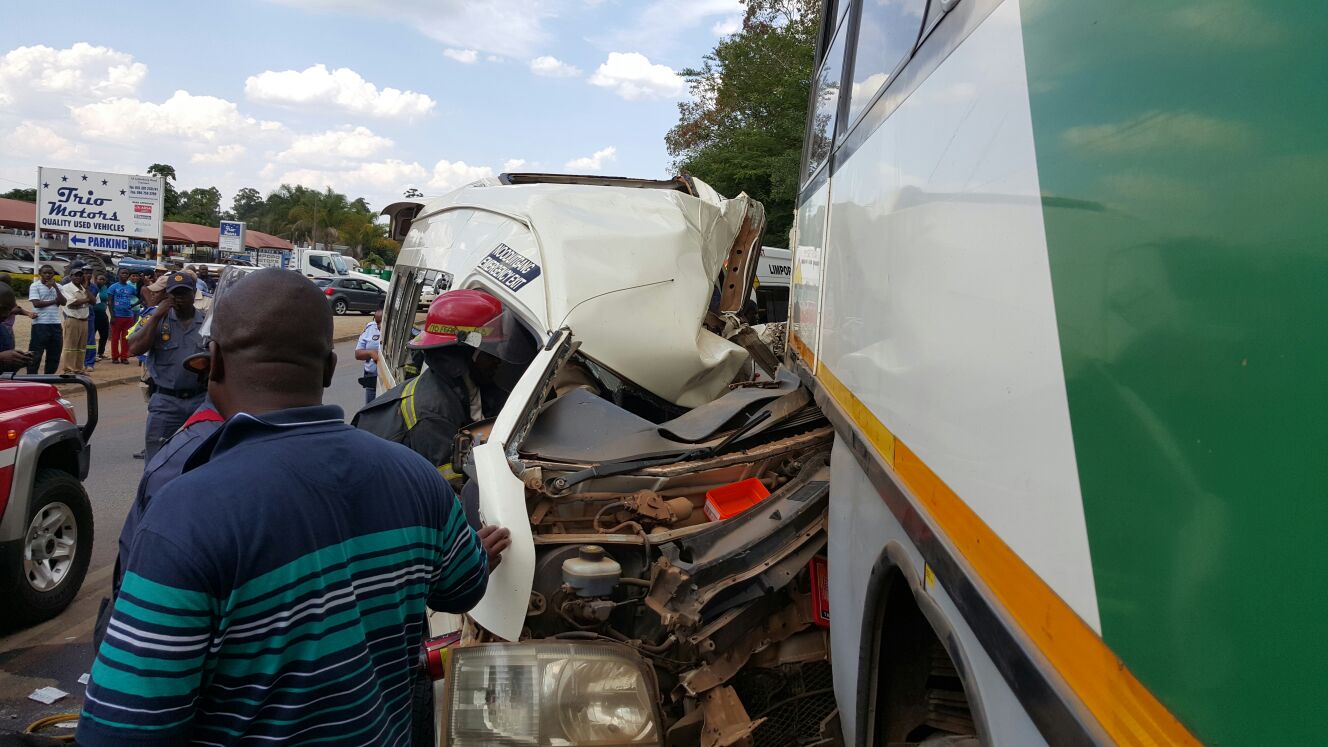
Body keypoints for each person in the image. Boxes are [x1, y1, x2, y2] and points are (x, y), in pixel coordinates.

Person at [78, 268, 504, 746]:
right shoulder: (416, 478)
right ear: (327, 368)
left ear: (213, 362)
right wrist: (477, 552)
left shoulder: (188, 509)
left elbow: (123, 729)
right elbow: (462, 589)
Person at [353, 289, 536, 482]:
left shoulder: (464, 387)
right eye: (490, 351)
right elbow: (455, 491)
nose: (498, 359)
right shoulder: (433, 416)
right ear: (465, 353)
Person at [127, 271, 207, 461]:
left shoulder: (206, 322)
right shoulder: (155, 320)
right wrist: (156, 317)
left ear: (193, 293)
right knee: (157, 459)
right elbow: (135, 349)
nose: (178, 298)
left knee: (201, 457)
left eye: (183, 293)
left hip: (201, 400)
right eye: (174, 294)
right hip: (166, 402)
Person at [26, 264, 64, 374]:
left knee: (54, 353)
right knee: (36, 353)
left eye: (50, 273)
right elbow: (36, 304)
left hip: (55, 323)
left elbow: (64, 302)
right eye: (45, 273)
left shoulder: (59, 286)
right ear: (40, 274)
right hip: (40, 324)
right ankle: (32, 378)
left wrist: (55, 287)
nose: (47, 275)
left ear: (53, 274)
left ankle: (49, 377)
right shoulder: (35, 286)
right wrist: (54, 301)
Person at [57, 263, 94, 374]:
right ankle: (68, 369)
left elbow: (94, 301)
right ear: (70, 276)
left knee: (81, 346)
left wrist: (86, 288)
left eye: (80, 275)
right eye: (75, 275)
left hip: (84, 320)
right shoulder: (66, 288)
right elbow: (73, 303)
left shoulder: (83, 288)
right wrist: (87, 299)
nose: (78, 277)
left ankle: (78, 368)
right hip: (72, 319)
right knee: (70, 345)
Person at [104, 268, 138, 364]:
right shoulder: (113, 287)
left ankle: (124, 357)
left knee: (126, 338)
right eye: (123, 273)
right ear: (118, 274)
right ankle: (115, 357)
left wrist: (133, 305)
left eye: (126, 273)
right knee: (115, 338)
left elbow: (140, 297)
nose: (124, 275)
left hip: (129, 316)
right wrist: (112, 316)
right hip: (117, 316)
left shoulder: (131, 288)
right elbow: (110, 302)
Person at [0, 282, 34, 372]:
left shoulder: (3, 331)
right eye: (2, 308)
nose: (6, 314)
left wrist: (17, 360)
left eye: (10, 309)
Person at [355, 301, 383, 404]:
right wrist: (371, 353)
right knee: (371, 411)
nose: (378, 325)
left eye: (381, 322)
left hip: (390, 379)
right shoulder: (370, 327)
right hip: (372, 378)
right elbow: (357, 354)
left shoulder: (399, 329)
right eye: (377, 321)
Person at [91, 271, 111, 362]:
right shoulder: (92, 288)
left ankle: (101, 353)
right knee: (92, 335)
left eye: (103, 279)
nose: (102, 281)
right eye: (100, 279)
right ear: (96, 280)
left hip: (102, 313)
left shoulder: (105, 288)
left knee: (104, 335)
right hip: (93, 314)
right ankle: (92, 354)